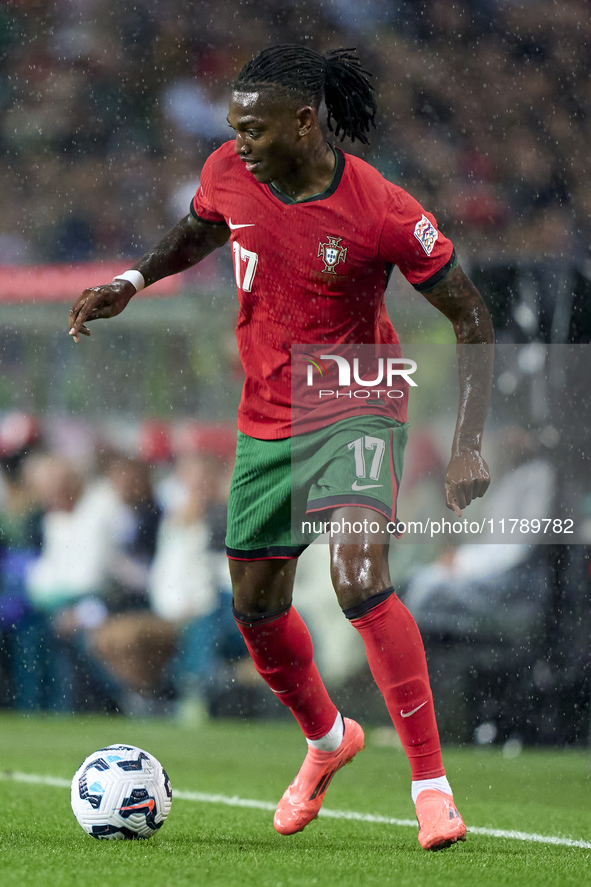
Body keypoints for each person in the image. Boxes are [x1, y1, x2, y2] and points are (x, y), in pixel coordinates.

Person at [69, 45, 494, 851]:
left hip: (356, 394)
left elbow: (470, 316)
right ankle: (328, 739)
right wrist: (129, 280)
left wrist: (467, 443)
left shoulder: (380, 208)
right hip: (267, 414)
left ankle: (431, 787)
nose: (240, 142)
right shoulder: (230, 168)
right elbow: (197, 232)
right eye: (234, 128)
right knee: (256, 613)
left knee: (360, 581)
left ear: (305, 122)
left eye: (255, 129)